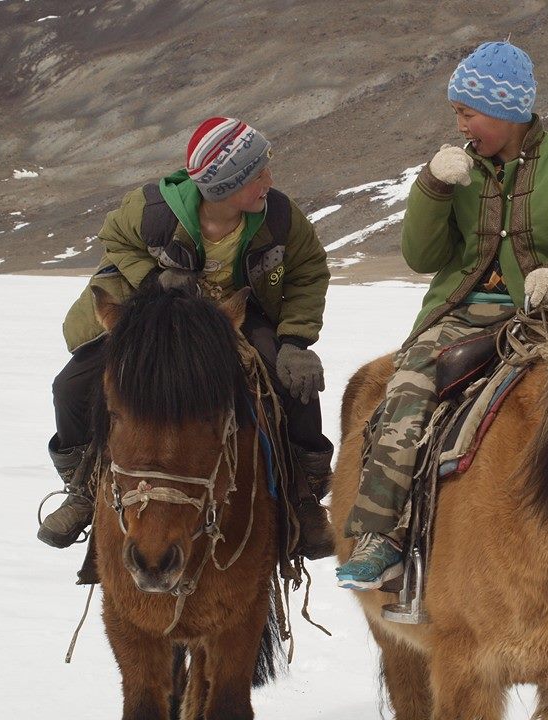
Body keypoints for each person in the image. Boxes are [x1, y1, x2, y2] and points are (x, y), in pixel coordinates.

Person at [335, 41, 548, 589]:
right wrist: (432, 189)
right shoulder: (454, 169)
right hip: (463, 313)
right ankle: (379, 535)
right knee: (408, 385)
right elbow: (421, 257)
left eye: (467, 112)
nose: (459, 122)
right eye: (458, 112)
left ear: (505, 111)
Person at [38, 117, 335, 560]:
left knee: (294, 386)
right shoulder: (152, 210)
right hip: (154, 305)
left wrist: (295, 339)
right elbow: (115, 241)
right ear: (224, 188)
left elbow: (309, 271)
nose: (269, 183)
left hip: (233, 311)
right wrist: (157, 278)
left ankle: (303, 495)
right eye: (257, 176)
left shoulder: (279, 217)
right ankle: (83, 486)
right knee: (72, 386)